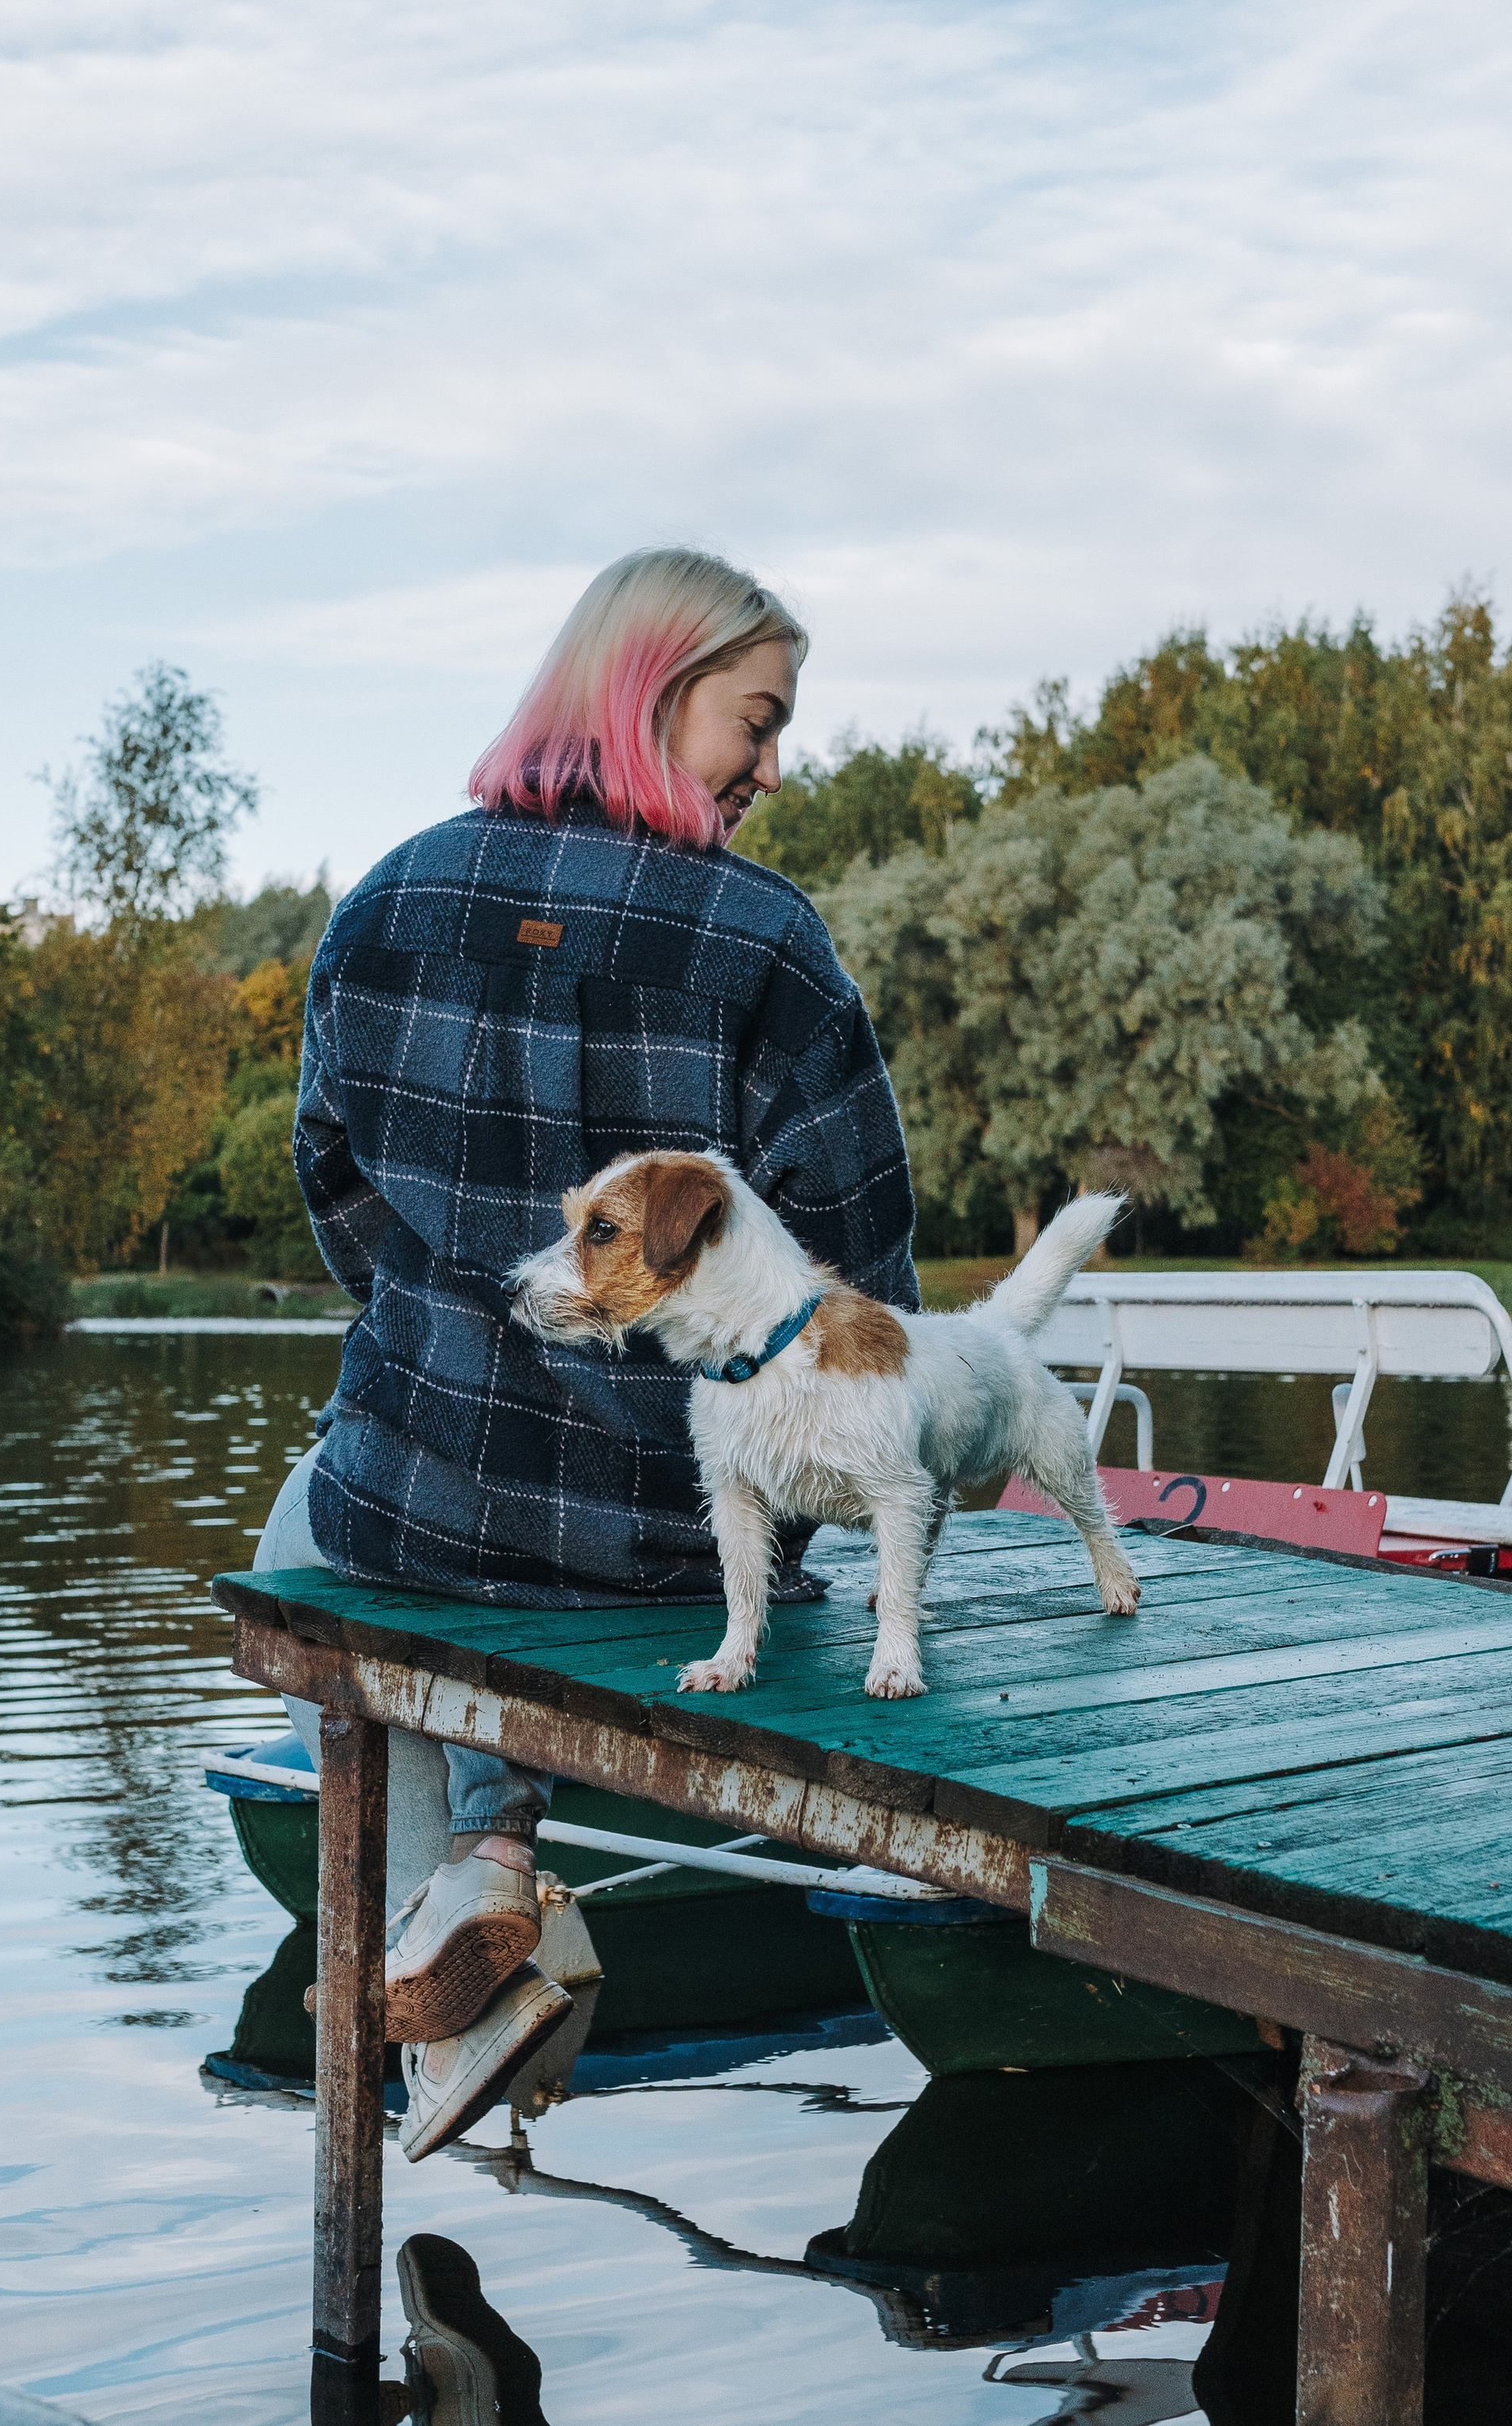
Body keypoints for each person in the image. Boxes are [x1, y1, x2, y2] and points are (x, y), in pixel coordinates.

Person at [254, 545, 918, 2157]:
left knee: (318, 1547)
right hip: (674, 1546)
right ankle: (480, 1888)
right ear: (653, 690)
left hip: (420, 1500)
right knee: (468, 1556)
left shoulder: (387, 900)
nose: (774, 765)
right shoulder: (767, 944)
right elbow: (862, 1284)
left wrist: (448, 1337)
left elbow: (337, 1191)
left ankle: (469, 1904)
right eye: (758, 719)